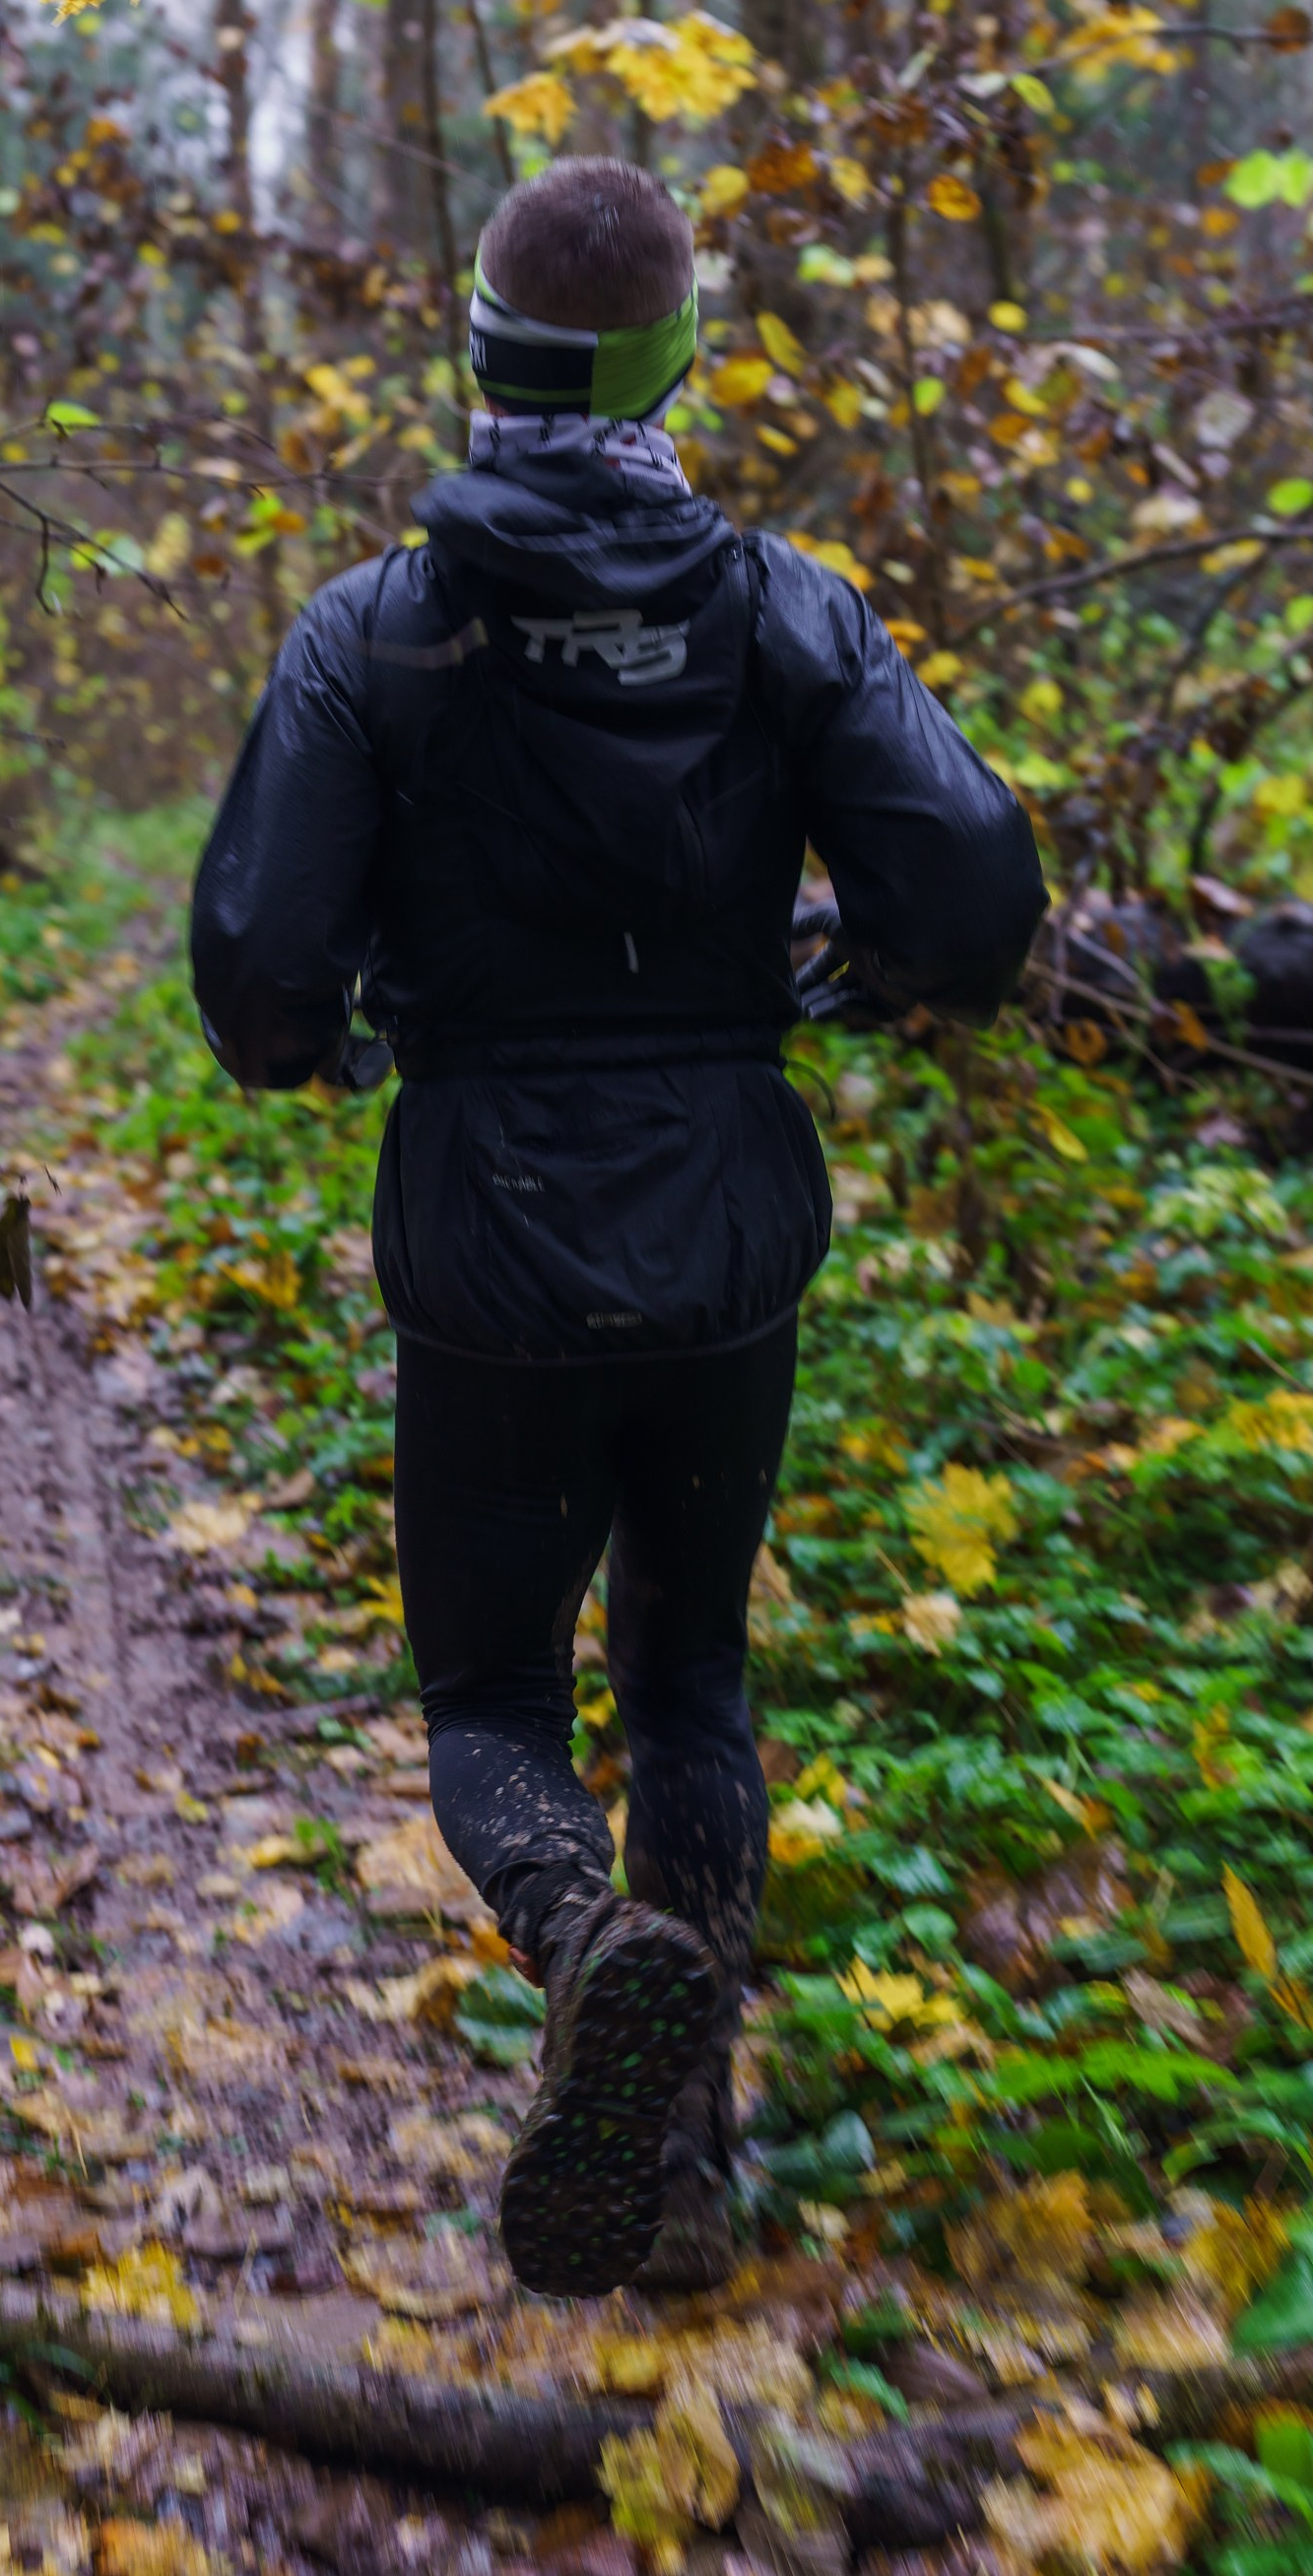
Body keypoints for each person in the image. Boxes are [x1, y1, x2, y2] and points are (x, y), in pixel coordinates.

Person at [189, 159, 1046, 2300]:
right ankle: (683, 2164)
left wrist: (340, 1046)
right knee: (692, 1674)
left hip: (483, 1233)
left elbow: (260, 974)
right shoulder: (781, 609)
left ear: (477, 359)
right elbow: (971, 898)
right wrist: (847, 979)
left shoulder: (377, 628)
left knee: (489, 1698)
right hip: (726, 1228)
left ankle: (583, 1941)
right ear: (677, 363)